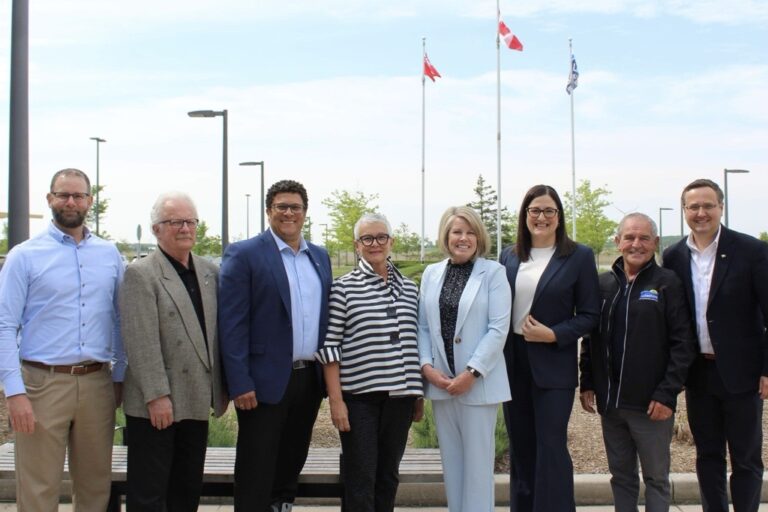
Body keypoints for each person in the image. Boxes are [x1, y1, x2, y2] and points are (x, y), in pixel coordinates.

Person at [0, 168, 125, 511]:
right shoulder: (24, 256)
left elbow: (120, 319)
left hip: (97, 382)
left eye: (78, 195)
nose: (71, 202)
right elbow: (4, 325)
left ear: (90, 201)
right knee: (38, 490)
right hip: (42, 384)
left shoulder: (110, 255)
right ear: (50, 198)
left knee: (95, 487)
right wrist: (14, 393)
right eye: (63, 195)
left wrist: (119, 376)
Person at [218, 179, 332, 512]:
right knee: (257, 467)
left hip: (308, 379)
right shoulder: (245, 254)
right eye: (281, 206)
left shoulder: (320, 257)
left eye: (295, 207)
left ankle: (283, 506)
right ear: (269, 211)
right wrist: (239, 382)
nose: (288, 213)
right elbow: (232, 324)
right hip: (262, 383)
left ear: (305, 212)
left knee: (291, 461)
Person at [579, 213, 697, 512]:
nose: (636, 244)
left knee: (656, 478)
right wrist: (588, 382)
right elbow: (591, 338)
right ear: (618, 242)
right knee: (621, 477)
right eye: (629, 237)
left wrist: (666, 394)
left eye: (644, 238)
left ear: (655, 243)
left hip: (650, 406)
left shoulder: (668, 283)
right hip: (611, 405)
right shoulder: (603, 284)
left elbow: (683, 345)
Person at [663, 178, 768, 512]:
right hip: (699, 374)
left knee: (746, 458)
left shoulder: (752, 251)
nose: (701, 212)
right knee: (707, 456)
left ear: (721, 207)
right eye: (693, 206)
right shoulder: (674, 255)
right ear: (684, 211)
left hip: (743, 374)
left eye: (708, 205)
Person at [120, 192, 228, 511]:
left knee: (186, 489)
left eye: (190, 221)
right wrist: (156, 396)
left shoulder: (210, 272)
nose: (185, 228)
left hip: (195, 397)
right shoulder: (141, 274)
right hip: (157, 405)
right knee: (150, 495)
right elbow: (141, 341)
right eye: (175, 222)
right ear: (156, 229)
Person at [500, 184, 600, 512]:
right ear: (524, 215)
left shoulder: (579, 256)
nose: (541, 217)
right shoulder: (509, 256)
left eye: (548, 211)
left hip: (553, 364)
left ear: (558, 216)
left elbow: (590, 315)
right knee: (522, 448)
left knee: (551, 447)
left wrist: (554, 334)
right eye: (534, 211)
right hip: (513, 363)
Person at [315, 212, 424, 512]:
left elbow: (413, 343)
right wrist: (336, 401)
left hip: (400, 399)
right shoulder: (343, 289)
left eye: (381, 237)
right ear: (357, 245)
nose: (374, 243)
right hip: (359, 401)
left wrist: (417, 393)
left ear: (391, 241)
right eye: (367, 238)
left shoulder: (410, 289)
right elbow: (329, 349)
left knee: (387, 477)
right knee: (361, 478)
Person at [418, 205, 511, 512]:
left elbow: (498, 329)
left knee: (477, 468)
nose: (464, 238)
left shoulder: (494, 272)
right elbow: (422, 327)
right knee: (453, 465)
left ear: (479, 237)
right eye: (457, 231)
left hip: (477, 385)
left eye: (471, 232)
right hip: (442, 384)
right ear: (446, 235)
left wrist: (471, 372)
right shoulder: (432, 274)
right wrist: (427, 367)